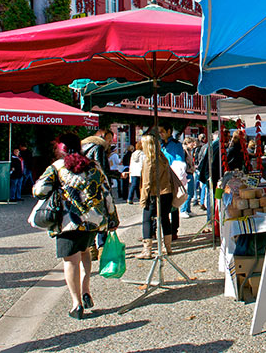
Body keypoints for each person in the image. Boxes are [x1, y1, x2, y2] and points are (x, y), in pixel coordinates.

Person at [33, 133, 119, 320]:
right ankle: (86, 290)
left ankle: (76, 303)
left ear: (61, 148)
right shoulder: (94, 166)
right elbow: (106, 193)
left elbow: (39, 190)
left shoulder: (57, 167)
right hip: (92, 221)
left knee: (70, 261)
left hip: (68, 222)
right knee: (85, 252)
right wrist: (113, 219)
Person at [136, 134, 182, 259]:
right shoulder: (163, 158)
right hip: (166, 193)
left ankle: (147, 249)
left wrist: (143, 198)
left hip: (154, 195)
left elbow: (147, 182)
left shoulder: (149, 160)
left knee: (147, 220)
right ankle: (167, 247)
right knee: (165, 219)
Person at [81, 128, 111, 259]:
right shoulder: (98, 148)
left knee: (89, 217)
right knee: (101, 217)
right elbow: (101, 170)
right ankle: (102, 248)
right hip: (97, 188)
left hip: (83, 187)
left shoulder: (81, 148)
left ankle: (90, 247)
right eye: (109, 140)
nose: (110, 143)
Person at [158, 123, 184, 238]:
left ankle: (173, 231)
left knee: (174, 206)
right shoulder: (161, 145)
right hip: (161, 179)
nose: (160, 134)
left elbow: (180, 162)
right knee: (161, 206)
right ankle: (158, 230)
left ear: (169, 131)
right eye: (159, 132)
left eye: (162, 131)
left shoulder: (176, 145)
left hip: (172, 178)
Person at [197, 130, 220, 221]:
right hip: (213, 177)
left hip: (212, 176)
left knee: (212, 195)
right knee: (213, 195)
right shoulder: (216, 146)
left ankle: (212, 218)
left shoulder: (211, 145)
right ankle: (212, 219)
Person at [179, 137, 197, 218]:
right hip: (187, 173)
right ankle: (183, 210)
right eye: (192, 143)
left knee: (191, 192)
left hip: (190, 172)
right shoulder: (184, 151)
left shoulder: (189, 151)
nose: (194, 144)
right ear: (188, 143)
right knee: (187, 193)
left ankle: (188, 209)